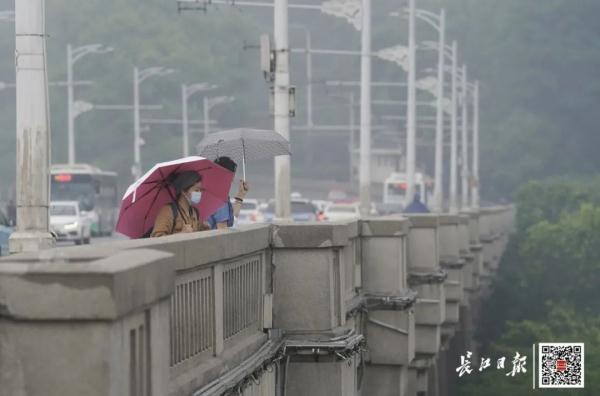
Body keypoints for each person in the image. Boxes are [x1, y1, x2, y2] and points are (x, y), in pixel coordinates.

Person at [151, 171, 210, 237]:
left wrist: (203, 229)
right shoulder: (168, 211)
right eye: (196, 190)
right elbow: (156, 238)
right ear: (183, 191)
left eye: (200, 190)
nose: (200, 193)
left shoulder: (195, 212)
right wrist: (181, 234)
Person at [208, 156, 249, 229]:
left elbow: (232, 216)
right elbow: (222, 231)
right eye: (232, 175)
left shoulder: (211, 193)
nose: (232, 180)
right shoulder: (219, 198)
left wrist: (241, 194)